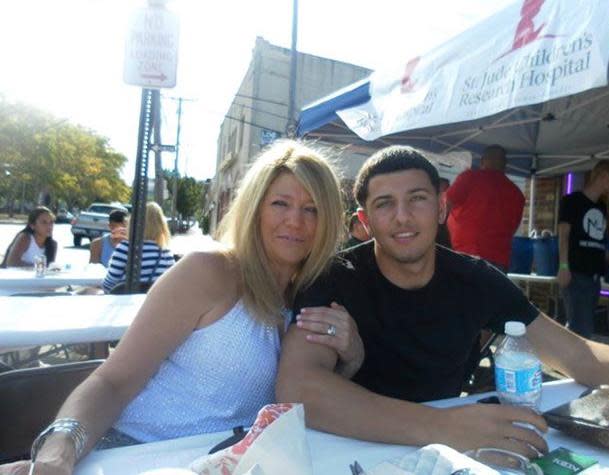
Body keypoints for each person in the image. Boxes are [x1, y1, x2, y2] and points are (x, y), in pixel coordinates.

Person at [1, 141, 363, 475]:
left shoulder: (309, 299)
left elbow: (298, 405)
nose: (295, 221)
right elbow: (112, 381)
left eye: (312, 209)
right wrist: (58, 453)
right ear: (255, 208)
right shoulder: (209, 272)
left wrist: (351, 359)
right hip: (133, 455)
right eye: (280, 204)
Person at [277, 145, 609, 458]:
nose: (403, 216)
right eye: (385, 204)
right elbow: (299, 387)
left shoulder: (475, 279)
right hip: (349, 449)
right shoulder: (335, 277)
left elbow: (578, 355)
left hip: (449, 453)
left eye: (417, 198)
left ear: (441, 207)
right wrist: (441, 425)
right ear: (365, 221)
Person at [558, 160, 609, 338]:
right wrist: (563, 267)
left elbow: (597, 241)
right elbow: (563, 235)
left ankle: (569, 363)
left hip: (594, 278)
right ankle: (573, 365)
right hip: (576, 274)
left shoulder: (601, 207)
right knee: (581, 330)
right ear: (603, 176)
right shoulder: (572, 201)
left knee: (580, 328)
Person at [446, 144, 524, 271]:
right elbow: (513, 228)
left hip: (468, 252)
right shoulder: (517, 193)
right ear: (505, 164)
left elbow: (445, 205)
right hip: (500, 258)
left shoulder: (470, 177)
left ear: (482, 161)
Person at [102, 202, 174, 293]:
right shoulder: (166, 253)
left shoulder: (125, 248)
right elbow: (171, 285)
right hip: (152, 304)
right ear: (162, 226)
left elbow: (108, 285)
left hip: (125, 304)